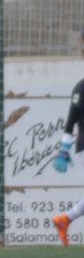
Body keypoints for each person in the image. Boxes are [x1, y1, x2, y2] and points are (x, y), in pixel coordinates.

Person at [51, 76, 84, 245]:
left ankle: (65, 219)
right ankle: (65, 219)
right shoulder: (81, 86)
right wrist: (64, 148)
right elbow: (71, 120)